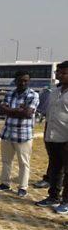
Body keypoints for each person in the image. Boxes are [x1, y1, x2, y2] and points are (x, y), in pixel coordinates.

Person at [0, 71, 39, 197]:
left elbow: (28, 113)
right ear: (16, 80)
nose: (23, 83)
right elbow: (2, 110)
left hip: (23, 135)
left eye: (26, 80)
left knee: (24, 163)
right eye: (20, 80)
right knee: (6, 161)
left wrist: (11, 111)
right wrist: (18, 110)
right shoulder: (10, 93)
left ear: (29, 81)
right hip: (8, 133)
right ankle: (5, 183)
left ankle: (23, 187)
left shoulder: (33, 95)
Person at [36, 61, 68, 214]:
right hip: (52, 137)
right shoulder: (55, 91)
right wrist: (46, 135)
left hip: (66, 139)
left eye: (64, 73)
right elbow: (49, 115)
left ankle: (65, 201)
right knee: (55, 170)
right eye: (58, 73)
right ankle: (53, 197)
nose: (60, 76)